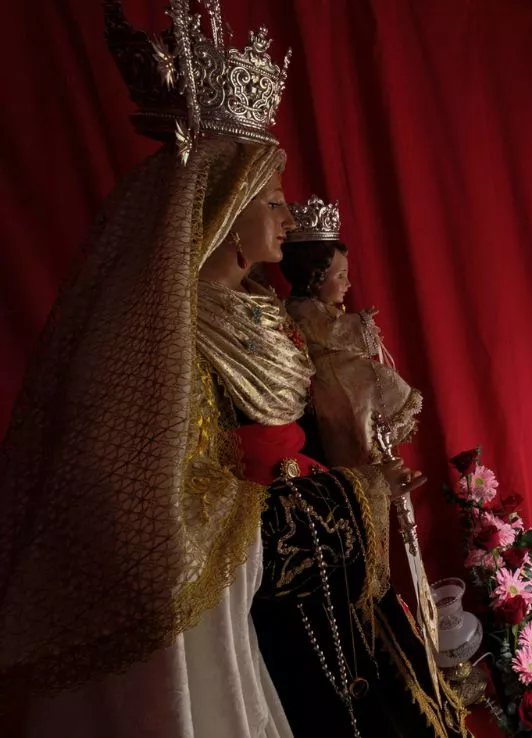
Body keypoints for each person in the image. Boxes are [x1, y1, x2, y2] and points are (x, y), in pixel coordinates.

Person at [0, 4, 464, 737]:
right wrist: (347, 501)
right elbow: (167, 508)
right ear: (224, 208)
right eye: (273, 202)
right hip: (251, 609)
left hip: (319, 583)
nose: (287, 219)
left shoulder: (264, 308)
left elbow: (295, 427)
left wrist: (356, 452)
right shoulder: (163, 333)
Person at [279, 195, 423, 468]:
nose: (348, 284)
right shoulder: (304, 311)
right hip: (332, 389)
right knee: (354, 430)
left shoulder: (318, 309)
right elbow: (334, 333)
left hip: (343, 381)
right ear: (315, 278)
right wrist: (361, 324)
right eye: (340, 276)